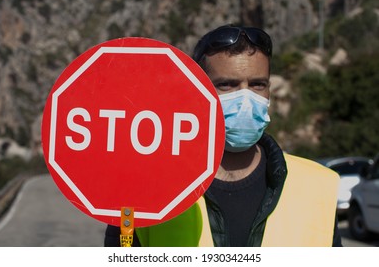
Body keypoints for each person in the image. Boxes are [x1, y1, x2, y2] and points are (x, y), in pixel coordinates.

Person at [105, 24, 342, 247]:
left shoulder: (319, 187)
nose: (246, 99)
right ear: (197, 91)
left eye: (258, 84)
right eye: (227, 85)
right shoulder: (148, 190)